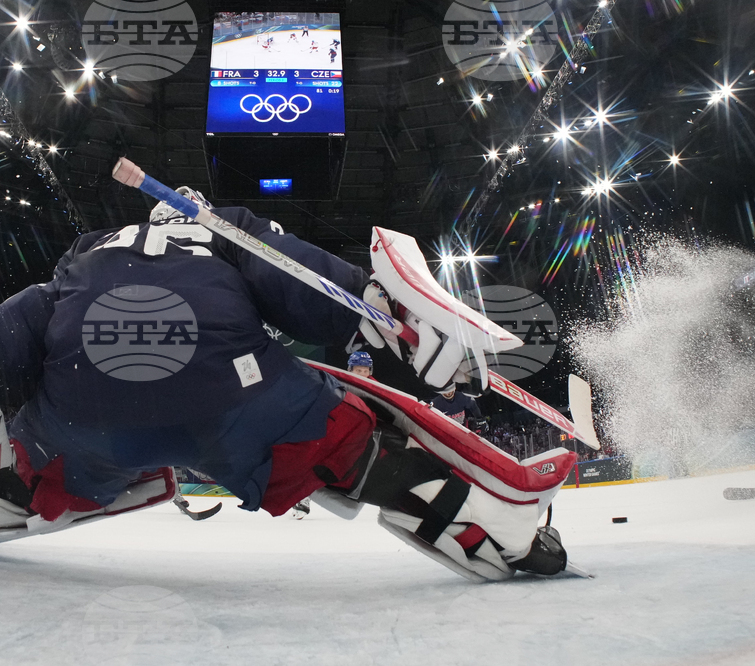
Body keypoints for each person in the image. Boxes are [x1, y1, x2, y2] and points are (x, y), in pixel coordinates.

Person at [0, 185, 572, 580]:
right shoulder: (224, 231)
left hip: (84, 406)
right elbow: (303, 283)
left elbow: (16, 332)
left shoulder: (83, 260)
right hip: (231, 393)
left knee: (52, 455)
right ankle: (487, 526)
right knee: (344, 443)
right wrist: (377, 313)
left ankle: (21, 494)